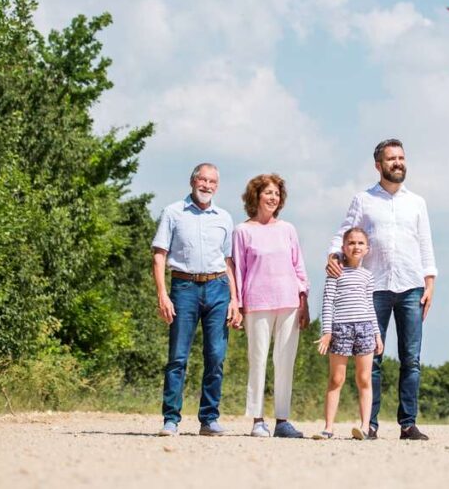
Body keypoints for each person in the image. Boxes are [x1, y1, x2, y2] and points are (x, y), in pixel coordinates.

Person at [326, 138, 437, 440]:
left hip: (411, 286)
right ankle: (369, 424)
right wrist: (334, 255)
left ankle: (407, 423)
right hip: (372, 287)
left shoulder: (417, 202)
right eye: (391, 159)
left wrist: (430, 282)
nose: (398, 163)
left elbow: (425, 244)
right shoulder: (363, 200)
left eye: (401, 158)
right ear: (379, 165)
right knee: (371, 356)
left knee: (410, 358)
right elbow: (343, 233)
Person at [152, 163, 240, 437]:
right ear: (192, 182)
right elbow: (159, 254)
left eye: (212, 181)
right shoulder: (173, 212)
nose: (207, 185)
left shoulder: (224, 217)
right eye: (202, 180)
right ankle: (171, 419)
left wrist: (234, 299)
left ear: (217, 186)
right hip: (184, 288)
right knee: (178, 357)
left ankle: (209, 419)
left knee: (215, 356)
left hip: (218, 288)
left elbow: (228, 262)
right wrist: (162, 294)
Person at [232, 173, 310, 439]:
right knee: (258, 360)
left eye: (276, 193)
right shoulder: (242, 231)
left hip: (289, 301)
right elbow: (239, 271)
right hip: (257, 302)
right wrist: (239, 306)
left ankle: (282, 420)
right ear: (256, 196)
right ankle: (257, 419)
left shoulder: (288, 229)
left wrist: (304, 301)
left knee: (285, 361)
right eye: (268, 192)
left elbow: (299, 267)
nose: (273, 197)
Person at [316, 227, 383, 440]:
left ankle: (364, 427)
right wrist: (327, 331)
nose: (356, 247)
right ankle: (328, 427)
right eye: (351, 243)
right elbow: (328, 302)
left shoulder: (367, 276)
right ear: (343, 247)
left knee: (364, 378)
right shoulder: (335, 272)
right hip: (340, 329)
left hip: (364, 329)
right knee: (337, 378)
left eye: (360, 243)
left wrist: (377, 333)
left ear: (367, 249)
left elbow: (370, 305)